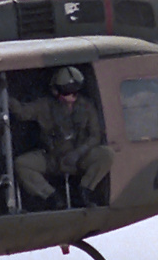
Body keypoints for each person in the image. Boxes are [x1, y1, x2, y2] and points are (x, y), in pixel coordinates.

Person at [8, 66, 112, 209]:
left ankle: (84, 191)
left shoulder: (86, 106)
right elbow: (22, 112)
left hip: (79, 158)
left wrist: (78, 153)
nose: (72, 97)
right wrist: (6, 97)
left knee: (106, 154)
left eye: (75, 92)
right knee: (22, 163)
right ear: (56, 91)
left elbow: (95, 135)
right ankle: (52, 197)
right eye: (67, 92)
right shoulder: (44, 105)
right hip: (53, 158)